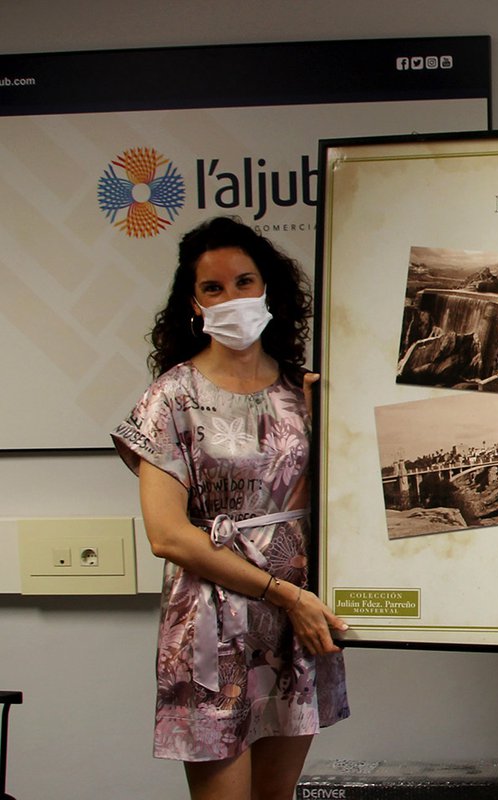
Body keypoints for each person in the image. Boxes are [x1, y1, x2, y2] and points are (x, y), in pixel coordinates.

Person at [112, 216, 350, 799]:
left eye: (245, 282)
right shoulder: (171, 396)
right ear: (193, 303)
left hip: (298, 625)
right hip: (213, 623)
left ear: (269, 288)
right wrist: (287, 595)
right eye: (214, 288)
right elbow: (167, 536)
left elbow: (342, 505)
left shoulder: (307, 391)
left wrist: (331, 424)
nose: (233, 298)